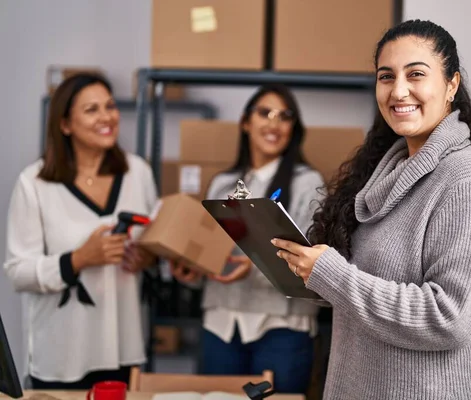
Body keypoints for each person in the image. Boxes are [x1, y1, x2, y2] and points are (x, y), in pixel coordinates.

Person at [271, 19, 471, 399]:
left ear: (452, 85)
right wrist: (307, 269)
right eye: (386, 76)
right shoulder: (387, 171)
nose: (399, 91)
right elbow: (363, 292)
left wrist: (333, 274)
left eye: (416, 74)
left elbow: (451, 319)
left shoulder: (468, 178)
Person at [3, 73, 158, 389]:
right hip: (61, 355)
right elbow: (18, 272)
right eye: (92, 109)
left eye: (110, 106)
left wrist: (147, 259)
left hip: (123, 350)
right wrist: (78, 258)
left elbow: (154, 245)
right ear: (65, 125)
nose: (107, 117)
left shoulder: (137, 173)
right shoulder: (34, 184)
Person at [171, 84, 323, 394]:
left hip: (281, 327)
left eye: (285, 116)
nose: (273, 123)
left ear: (294, 128)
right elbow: (208, 255)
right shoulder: (222, 184)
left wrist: (250, 268)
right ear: (245, 122)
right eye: (264, 112)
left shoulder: (308, 183)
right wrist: (190, 273)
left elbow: (310, 262)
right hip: (221, 325)